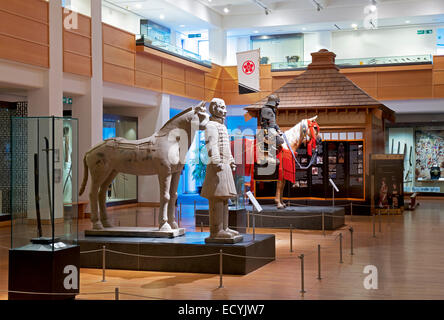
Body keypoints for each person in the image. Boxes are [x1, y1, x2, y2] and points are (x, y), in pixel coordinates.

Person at [201, 98, 242, 242]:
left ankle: (224, 228)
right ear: (213, 109)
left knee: (225, 198)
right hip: (216, 167)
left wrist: (230, 161)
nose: (225, 111)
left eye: (225, 108)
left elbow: (225, 147)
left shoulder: (222, 126)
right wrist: (217, 161)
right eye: (221, 107)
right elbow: (212, 146)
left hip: (224, 166)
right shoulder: (211, 125)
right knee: (217, 198)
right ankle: (216, 230)